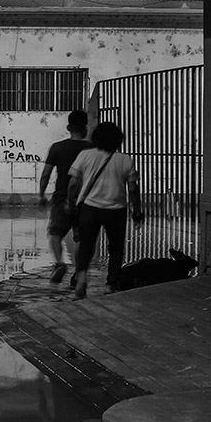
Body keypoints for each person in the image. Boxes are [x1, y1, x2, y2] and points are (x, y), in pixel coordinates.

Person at [65, 121, 144, 299]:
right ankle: (110, 284)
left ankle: (82, 278)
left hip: (90, 208)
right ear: (118, 139)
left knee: (86, 244)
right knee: (116, 249)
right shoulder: (125, 159)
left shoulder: (85, 155)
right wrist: (137, 211)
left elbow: (73, 184)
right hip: (116, 211)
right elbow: (132, 189)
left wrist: (71, 204)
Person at [38, 110, 93, 284]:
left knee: (55, 233)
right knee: (81, 237)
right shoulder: (91, 149)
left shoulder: (57, 148)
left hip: (61, 199)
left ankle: (60, 263)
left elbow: (46, 174)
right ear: (85, 128)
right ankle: (78, 271)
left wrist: (41, 195)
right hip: (85, 201)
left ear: (68, 127)